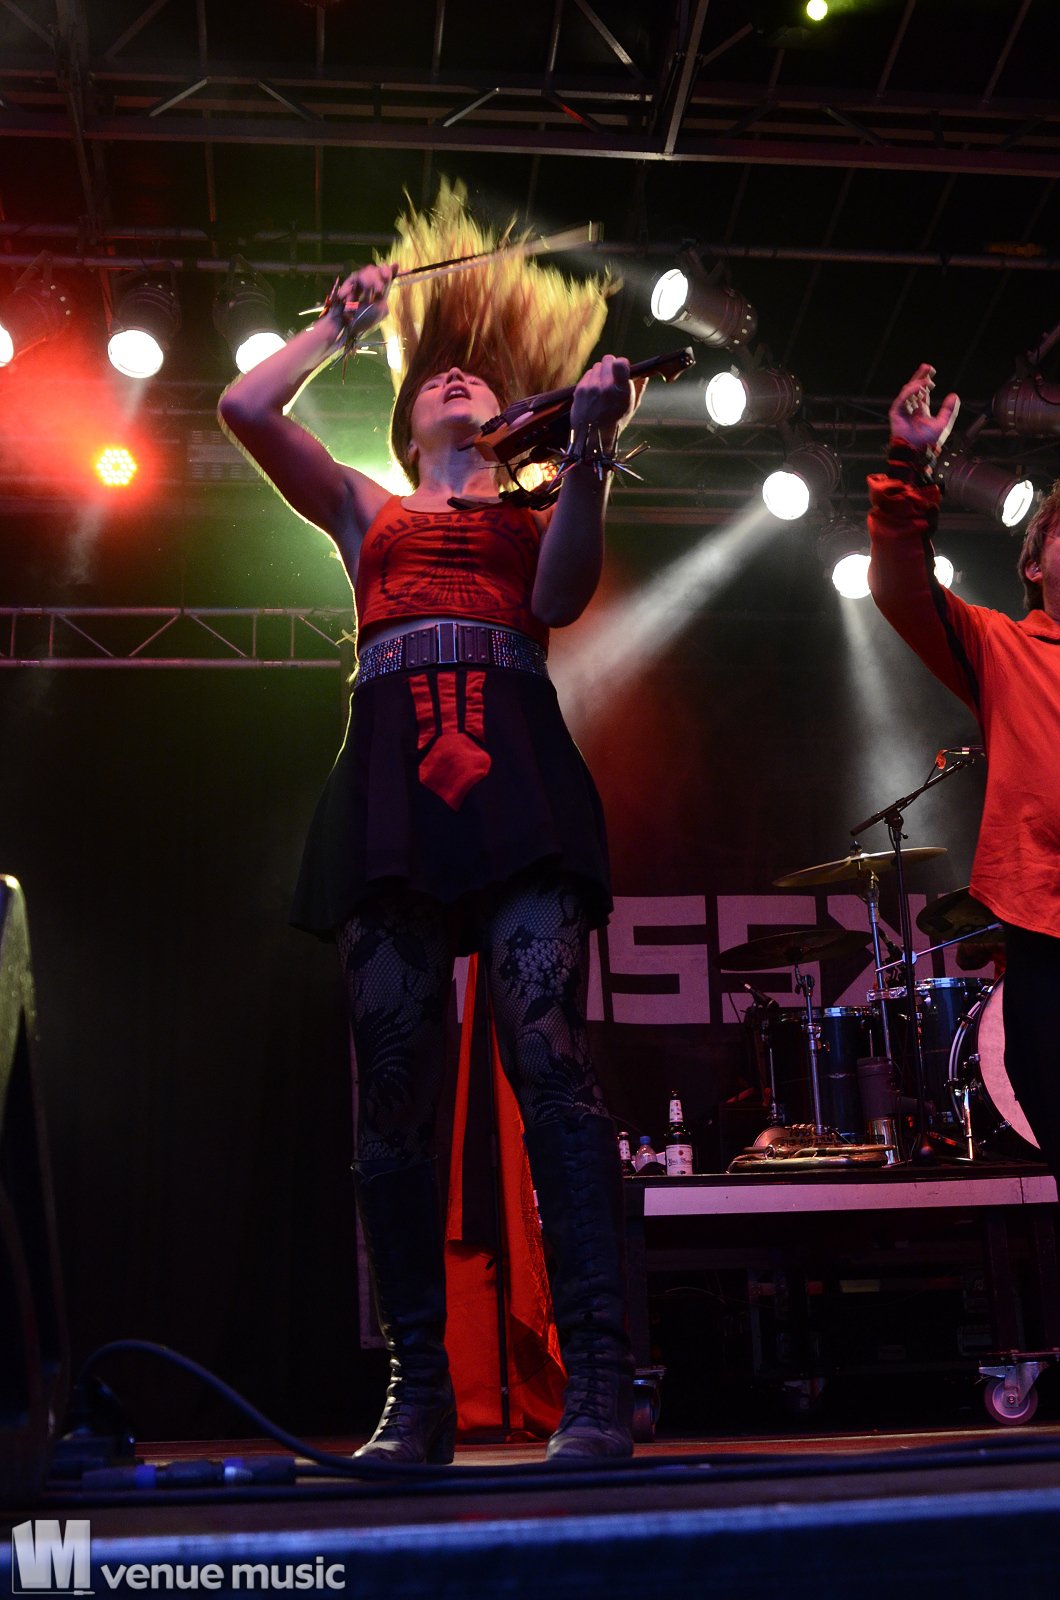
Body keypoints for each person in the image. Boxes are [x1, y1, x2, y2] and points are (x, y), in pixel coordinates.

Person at [217, 183, 637, 1463]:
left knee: (548, 1059)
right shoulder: (367, 508)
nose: (455, 376)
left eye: (476, 376)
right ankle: (421, 1393)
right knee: (393, 1085)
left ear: (503, 416)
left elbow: (558, 598)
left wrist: (590, 450)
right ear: (405, 428)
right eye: (433, 380)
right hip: (393, 789)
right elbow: (244, 408)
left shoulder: (532, 506)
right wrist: (337, 326)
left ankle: (598, 1383)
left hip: (518, 780)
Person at [867, 361, 1060, 1177]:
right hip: (1047, 928)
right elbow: (902, 587)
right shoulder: (1004, 646)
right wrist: (908, 466)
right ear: (1034, 565)